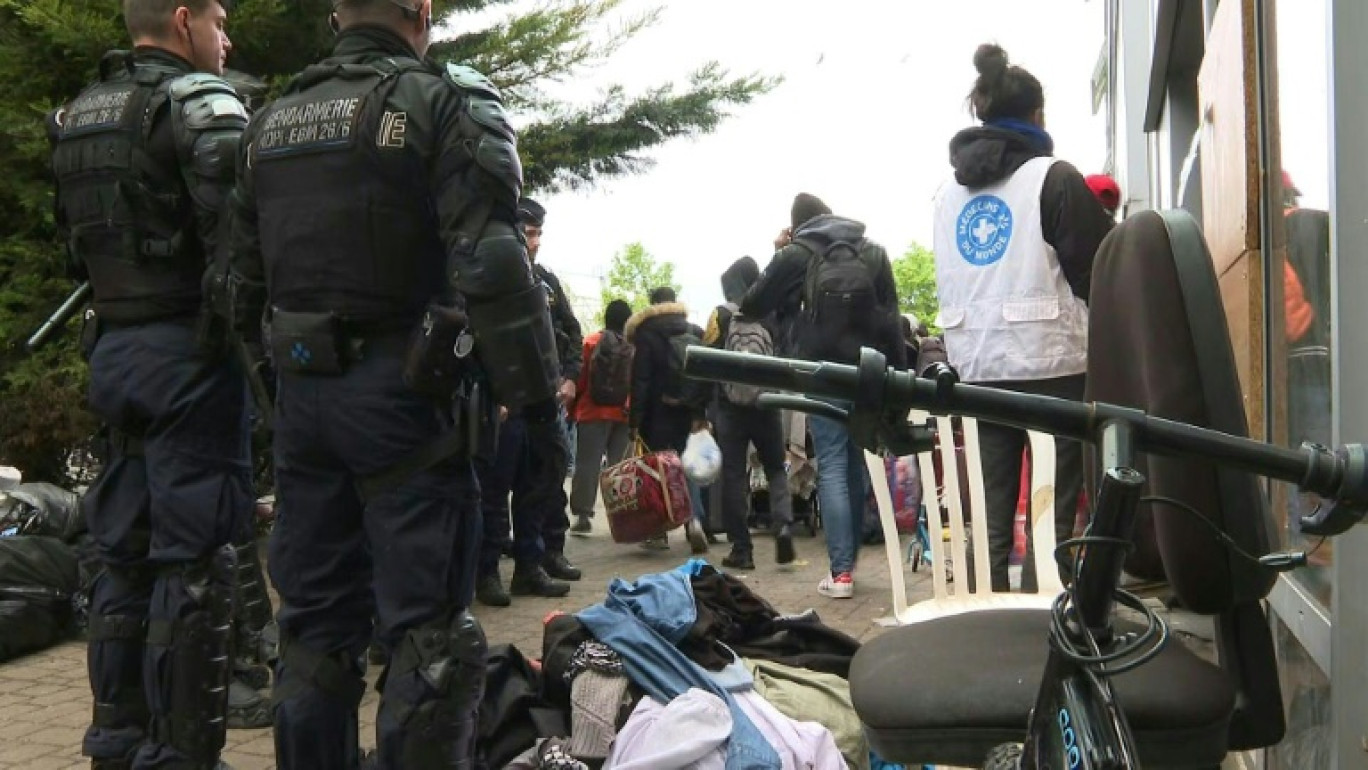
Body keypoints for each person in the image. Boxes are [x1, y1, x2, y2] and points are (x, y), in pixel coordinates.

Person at [226, 1, 562, 766]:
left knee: (312, 625)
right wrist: (539, 407)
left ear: (337, 13)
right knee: (429, 637)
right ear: (422, 10)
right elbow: (494, 265)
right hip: (407, 400)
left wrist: (274, 392)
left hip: (306, 401)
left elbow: (237, 282)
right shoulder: (439, 103)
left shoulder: (269, 121)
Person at [49, 1, 251, 767]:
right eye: (218, 20)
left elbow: (78, 247)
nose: (225, 38)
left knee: (122, 553)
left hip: (115, 352)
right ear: (181, 20)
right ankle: (180, 754)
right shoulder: (196, 104)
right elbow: (240, 246)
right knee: (195, 562)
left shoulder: (82, 112)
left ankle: (114, 740)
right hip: (187, 357)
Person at [931, 43, 1114, 593]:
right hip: (1052, 363)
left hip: (978, 364)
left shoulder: (945, 196)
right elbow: (1098, 272)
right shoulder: (1055, 178)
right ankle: (1044, 615)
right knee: (1050, 510)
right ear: (1037, 115)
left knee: (991, 506)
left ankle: (988, 611)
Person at [742, 193, 905, 597]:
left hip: (821, 373)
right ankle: (848, 563)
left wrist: (779, 253)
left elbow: (752, 303)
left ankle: (841, 573)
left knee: (831, 463)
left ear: (797, 225)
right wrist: (899, 380)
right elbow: (893, 318)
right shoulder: (872, 251)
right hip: (868, 372)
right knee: (853, 464)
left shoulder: (796, 254)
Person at [473, 197, 582, 608]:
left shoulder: (548, 283)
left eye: (537, 233)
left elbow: (570, 332)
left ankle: (530, 566)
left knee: (539, 485)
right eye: (527, 232)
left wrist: (570, 377)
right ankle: (486, 573)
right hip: (506, 402)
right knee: (495, 489)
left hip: (544, 400)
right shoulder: (486, 280)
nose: (533, 241)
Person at [703, 257, 796, 570]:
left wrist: (703, 408)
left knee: (733, 475)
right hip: (767, 404)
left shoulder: (722, 315)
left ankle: (741, 549)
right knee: (775, 469)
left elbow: (706, 361)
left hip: (730, 408)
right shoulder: (771, 313)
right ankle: (783, 524)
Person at [625, 287, 710, 552]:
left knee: (659, 471)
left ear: (653, 304)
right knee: (689, 467)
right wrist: (700, 412)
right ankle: (694, 521)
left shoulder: (647, 333)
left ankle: (659, 532)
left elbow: (641, 380)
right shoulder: (694, 331)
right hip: (688, 410)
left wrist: (635, 420)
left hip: (657, 412)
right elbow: (704, 376)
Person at [568, 298, 635, 535]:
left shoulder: (592, 342)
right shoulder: (632, 347)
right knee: (619, 468)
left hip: (592, 411)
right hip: (623, 414)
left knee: (587, 465)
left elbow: (580, 378)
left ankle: (583, 516)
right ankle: (621, 518)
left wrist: (572, 410)